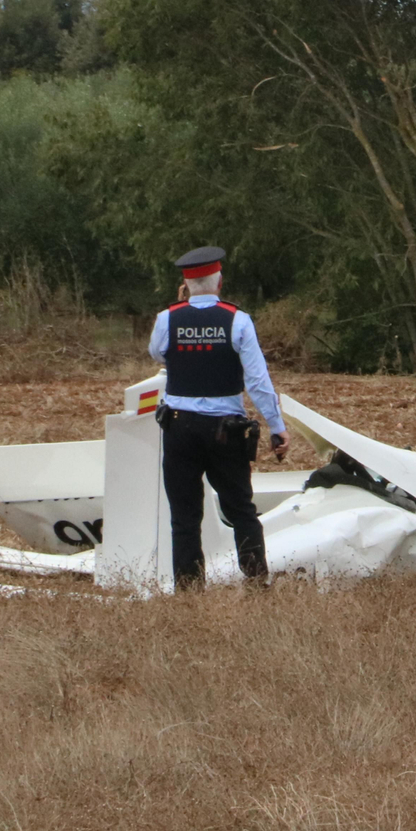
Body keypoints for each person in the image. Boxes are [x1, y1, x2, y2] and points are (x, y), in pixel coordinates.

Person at [147, 246, 289, 588]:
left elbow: (157, 354)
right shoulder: (237, 319)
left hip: (178, 426)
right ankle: (257, 581)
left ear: (185, 283)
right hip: (225, 430)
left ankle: (189, 590)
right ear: (219, 281)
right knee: (241, 508)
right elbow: (257, 381)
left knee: (184, 516)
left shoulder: (168, 317)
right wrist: (276, 426)